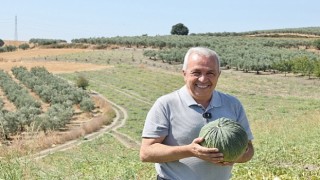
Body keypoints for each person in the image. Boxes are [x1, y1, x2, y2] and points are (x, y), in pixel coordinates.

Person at [140, 47, 254, 180]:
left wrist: (235, 156)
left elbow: (249, 149)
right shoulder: (165, 104)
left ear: (218, 74)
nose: (203, 79)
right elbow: (146, 153)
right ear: (184, 74)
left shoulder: (233, 104)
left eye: (210, 73)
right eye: (196, 72)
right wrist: (190, 151)